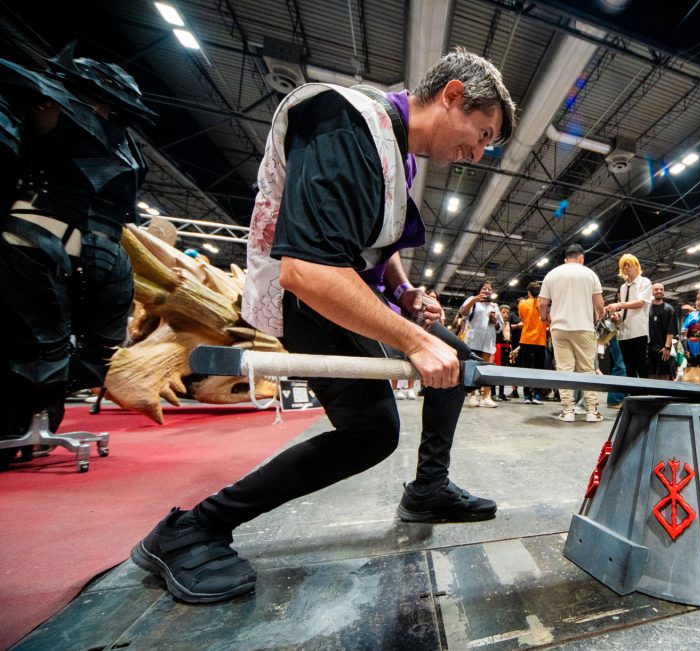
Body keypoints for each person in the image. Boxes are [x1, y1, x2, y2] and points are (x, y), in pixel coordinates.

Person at [131, 49, 517, 603]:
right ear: (452, 95)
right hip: (307, 298)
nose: (477, 154)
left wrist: (404, 294)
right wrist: (413, 340)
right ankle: (192, 527)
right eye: (481, 135)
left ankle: (428, 488)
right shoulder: (344, 121)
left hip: (346, 286)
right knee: (371, 433)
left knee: (459, 360)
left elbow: (377, 241)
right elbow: (307, 271)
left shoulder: (397, 152)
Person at [1, 45, 153, 466]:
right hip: (36, 239)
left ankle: (34, 427)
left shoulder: (124, 141)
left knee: (97, 349)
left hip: (103, 253)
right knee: (40, 346)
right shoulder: (44, 104)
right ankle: (19, 430)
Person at [538, 244, 604, 422]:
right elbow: (599, 304)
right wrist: (600, 316)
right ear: (581, 258)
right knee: (587, 369)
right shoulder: (590, 274)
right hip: (584, 327)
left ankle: (567, 411)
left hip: (559, 328)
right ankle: (592, 411)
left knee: (564, 369)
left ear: (565, 259)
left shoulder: (552, 274)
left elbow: (542, 304)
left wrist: (545, 318)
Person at [605, 253, 652, 379]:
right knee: (629, 368)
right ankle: (631, 391)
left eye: (629, 265)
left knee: (641, 366)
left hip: (638, 331)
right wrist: (617, 315)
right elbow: (625, 310)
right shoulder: (623, 287)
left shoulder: (644, 282)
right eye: (624, 266)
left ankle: (645, 391)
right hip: (624, 333)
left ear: (636, 266)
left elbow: (640, 303)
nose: (626, 268)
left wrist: (619, 305)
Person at [459, 279, 502, 407]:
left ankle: (486, 397)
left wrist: (495, 321)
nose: (487, 290)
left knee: (486, 368)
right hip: (473, 339)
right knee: (472, 367)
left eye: (489, 289)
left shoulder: (494, 306)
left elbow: (500, 326)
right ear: (479, 290)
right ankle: (472, 395)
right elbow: (463, 313)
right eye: (484, 288)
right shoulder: (473, 301)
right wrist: (473, 300)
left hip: (488, 340)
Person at [517, 281, 548, 404]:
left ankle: (527, 396)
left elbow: (522, 318)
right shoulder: (543, 304)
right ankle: (538, 395)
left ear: (528, 292)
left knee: (526, 368)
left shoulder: (522, 304)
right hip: (540, 339)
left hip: (525, 339)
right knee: (539, 368)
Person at [647, 282, 677, 381]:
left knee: (664, 376)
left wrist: (667, 347)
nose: (659, 291)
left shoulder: (669, 309)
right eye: (656, 289)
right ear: (652, 292)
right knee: (650, 375)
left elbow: (671, 330)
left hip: (663, 349)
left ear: (664, 292)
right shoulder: (647, 308)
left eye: (661, 289)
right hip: (649, 349)